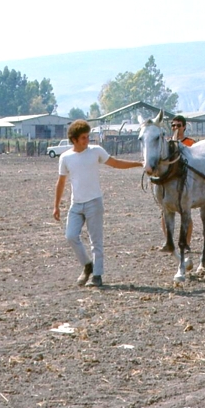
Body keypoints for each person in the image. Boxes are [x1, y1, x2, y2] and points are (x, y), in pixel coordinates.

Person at [52, 120, 143, 287]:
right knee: (70, 236)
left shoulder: (96, 152)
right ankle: (87, 265)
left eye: (88, 137)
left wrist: (139, 164)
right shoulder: (65, 158)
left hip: (94, 202)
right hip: (76, 204)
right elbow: (61, 182)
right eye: (83, 138)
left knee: (96, 241)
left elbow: (115, 163)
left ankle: (97, 275)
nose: (87, 141)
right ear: (74, 139)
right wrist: (56, 206)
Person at [161, 114, 196, 250]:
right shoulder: (168, 143)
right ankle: (168, 242)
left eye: (178, 125)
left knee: (186, 214)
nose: (175, 128)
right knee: (164, 214)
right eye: (173, 125)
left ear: (184, 127)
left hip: (185, 185)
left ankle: (187, 243)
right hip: (170, 185)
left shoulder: (190, 143)